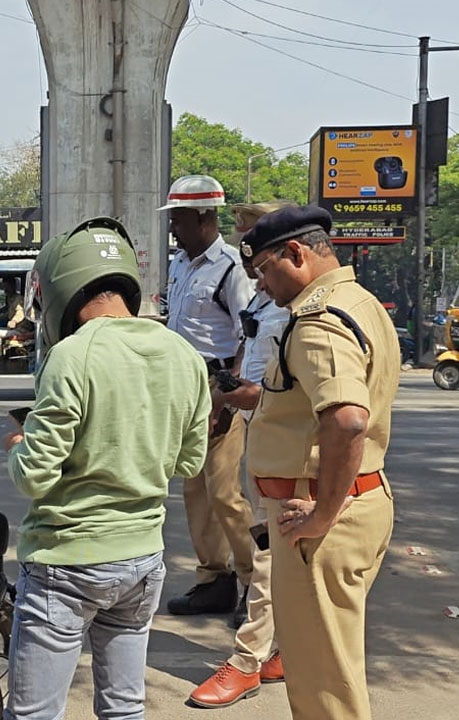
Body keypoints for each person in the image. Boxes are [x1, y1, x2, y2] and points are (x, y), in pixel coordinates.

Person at [3, 217, 209, 720]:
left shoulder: (71, 355)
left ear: (61, 289)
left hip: (67, 560)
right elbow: (190, 461)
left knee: (33, 714)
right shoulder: (184, 354)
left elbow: (33, 475)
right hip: (142, 559)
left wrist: (18, 445)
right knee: (123, 707)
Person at [240, 205, 398, 720]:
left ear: (295, 253)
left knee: (324, 686)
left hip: (321, 518)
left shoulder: (319, 321)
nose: (261, 285)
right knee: (329, 669)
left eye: (264, 269)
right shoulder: (361, 302)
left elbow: (347, 420)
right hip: (353, 501)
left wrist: (322, 515)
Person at [187, 201, 292, 708]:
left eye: (255, 246)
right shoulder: (269, 300)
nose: (249, 260)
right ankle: (281, 646)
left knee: (265, 545)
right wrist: (230, 397)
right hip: (257, 424)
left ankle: (248, 660)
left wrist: (253, 398)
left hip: (286, 439)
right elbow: (248, 350)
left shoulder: (303, 308)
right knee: (272, 542)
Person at [160, 174, 258, 619]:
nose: (172, 228)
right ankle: (213, 579)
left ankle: (254, 582)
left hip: (220, 385)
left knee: (224, 492)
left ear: (204, 218)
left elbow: (248, 336)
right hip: (186, 386)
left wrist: (229, 395)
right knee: (195, 489)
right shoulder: (180, 264)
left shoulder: (232, 269)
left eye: (178, 219)